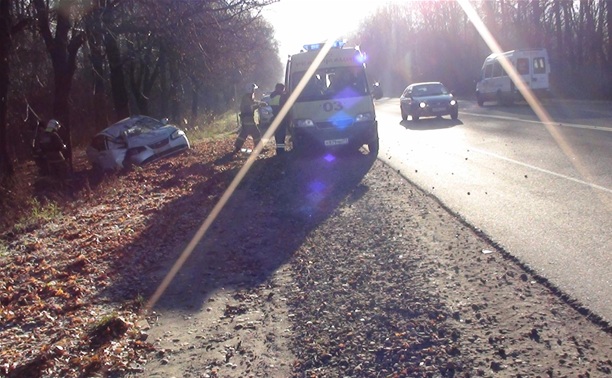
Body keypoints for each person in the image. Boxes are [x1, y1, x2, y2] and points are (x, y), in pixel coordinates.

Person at [233, 83, 263, 154]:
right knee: (256, 134)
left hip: (246, 119)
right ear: (250, 90)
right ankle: (259, 149)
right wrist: (258, 105)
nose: (254, 91)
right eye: (253, 90)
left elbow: (253, 102)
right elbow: (250, 107)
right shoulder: (246, 98)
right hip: (248, 119)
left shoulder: (248, 97)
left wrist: (260, 103)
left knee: (244, 133)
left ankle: (237, 147)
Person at [268, 83, 288, 156]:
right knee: (281, 134)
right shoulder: (281, 96)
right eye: (282, 89)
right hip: (281, 119)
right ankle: (281, 151)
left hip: (275, 118)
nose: (283, 91)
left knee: (277, 135)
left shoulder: (273, 96)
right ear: (279, 89)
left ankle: (279, 150)